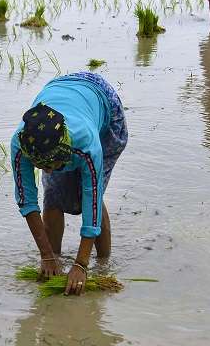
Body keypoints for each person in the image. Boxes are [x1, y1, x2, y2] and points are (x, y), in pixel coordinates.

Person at [10, 72, 128, 295]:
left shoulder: (86, 143)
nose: (46, 171)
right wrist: (46, 256)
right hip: (59, 92)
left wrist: (81, 265)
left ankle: (103, 266)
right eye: (41, 166)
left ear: (64, 151)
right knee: (54, 194)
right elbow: (27, 201)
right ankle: (53, 260)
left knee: (88, 196)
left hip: (105, 107)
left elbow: (91, 200)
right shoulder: (22, 143)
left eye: (51, 164)